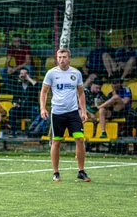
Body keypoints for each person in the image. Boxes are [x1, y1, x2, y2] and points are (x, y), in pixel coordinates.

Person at [39, 48, 91, 183]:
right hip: (57, 113)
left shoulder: (76, 73)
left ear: (69, 58)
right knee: (56, 141)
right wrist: (43, 108)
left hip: (73, 112)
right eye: (60, 57)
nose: (62, 59)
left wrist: (83, 111)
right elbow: (44, 92)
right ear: (57, 58)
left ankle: (81, 171)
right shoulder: (51, 73)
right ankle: (55, 173)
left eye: (64, 57)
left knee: (80, 140)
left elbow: (81, 93)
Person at [7, 67, 40, 136]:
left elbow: (39, 87)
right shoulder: (17, 85)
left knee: (34, 110)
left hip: (31, 109)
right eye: (21, 73)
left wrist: (29, 79)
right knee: (12, 110)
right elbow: (14, 98)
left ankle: (32, 132)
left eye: (25, 73)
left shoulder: (32, 84)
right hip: (21, 109)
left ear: (28, 75)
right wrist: (15, 103)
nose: (23, 75)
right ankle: (13, 132)